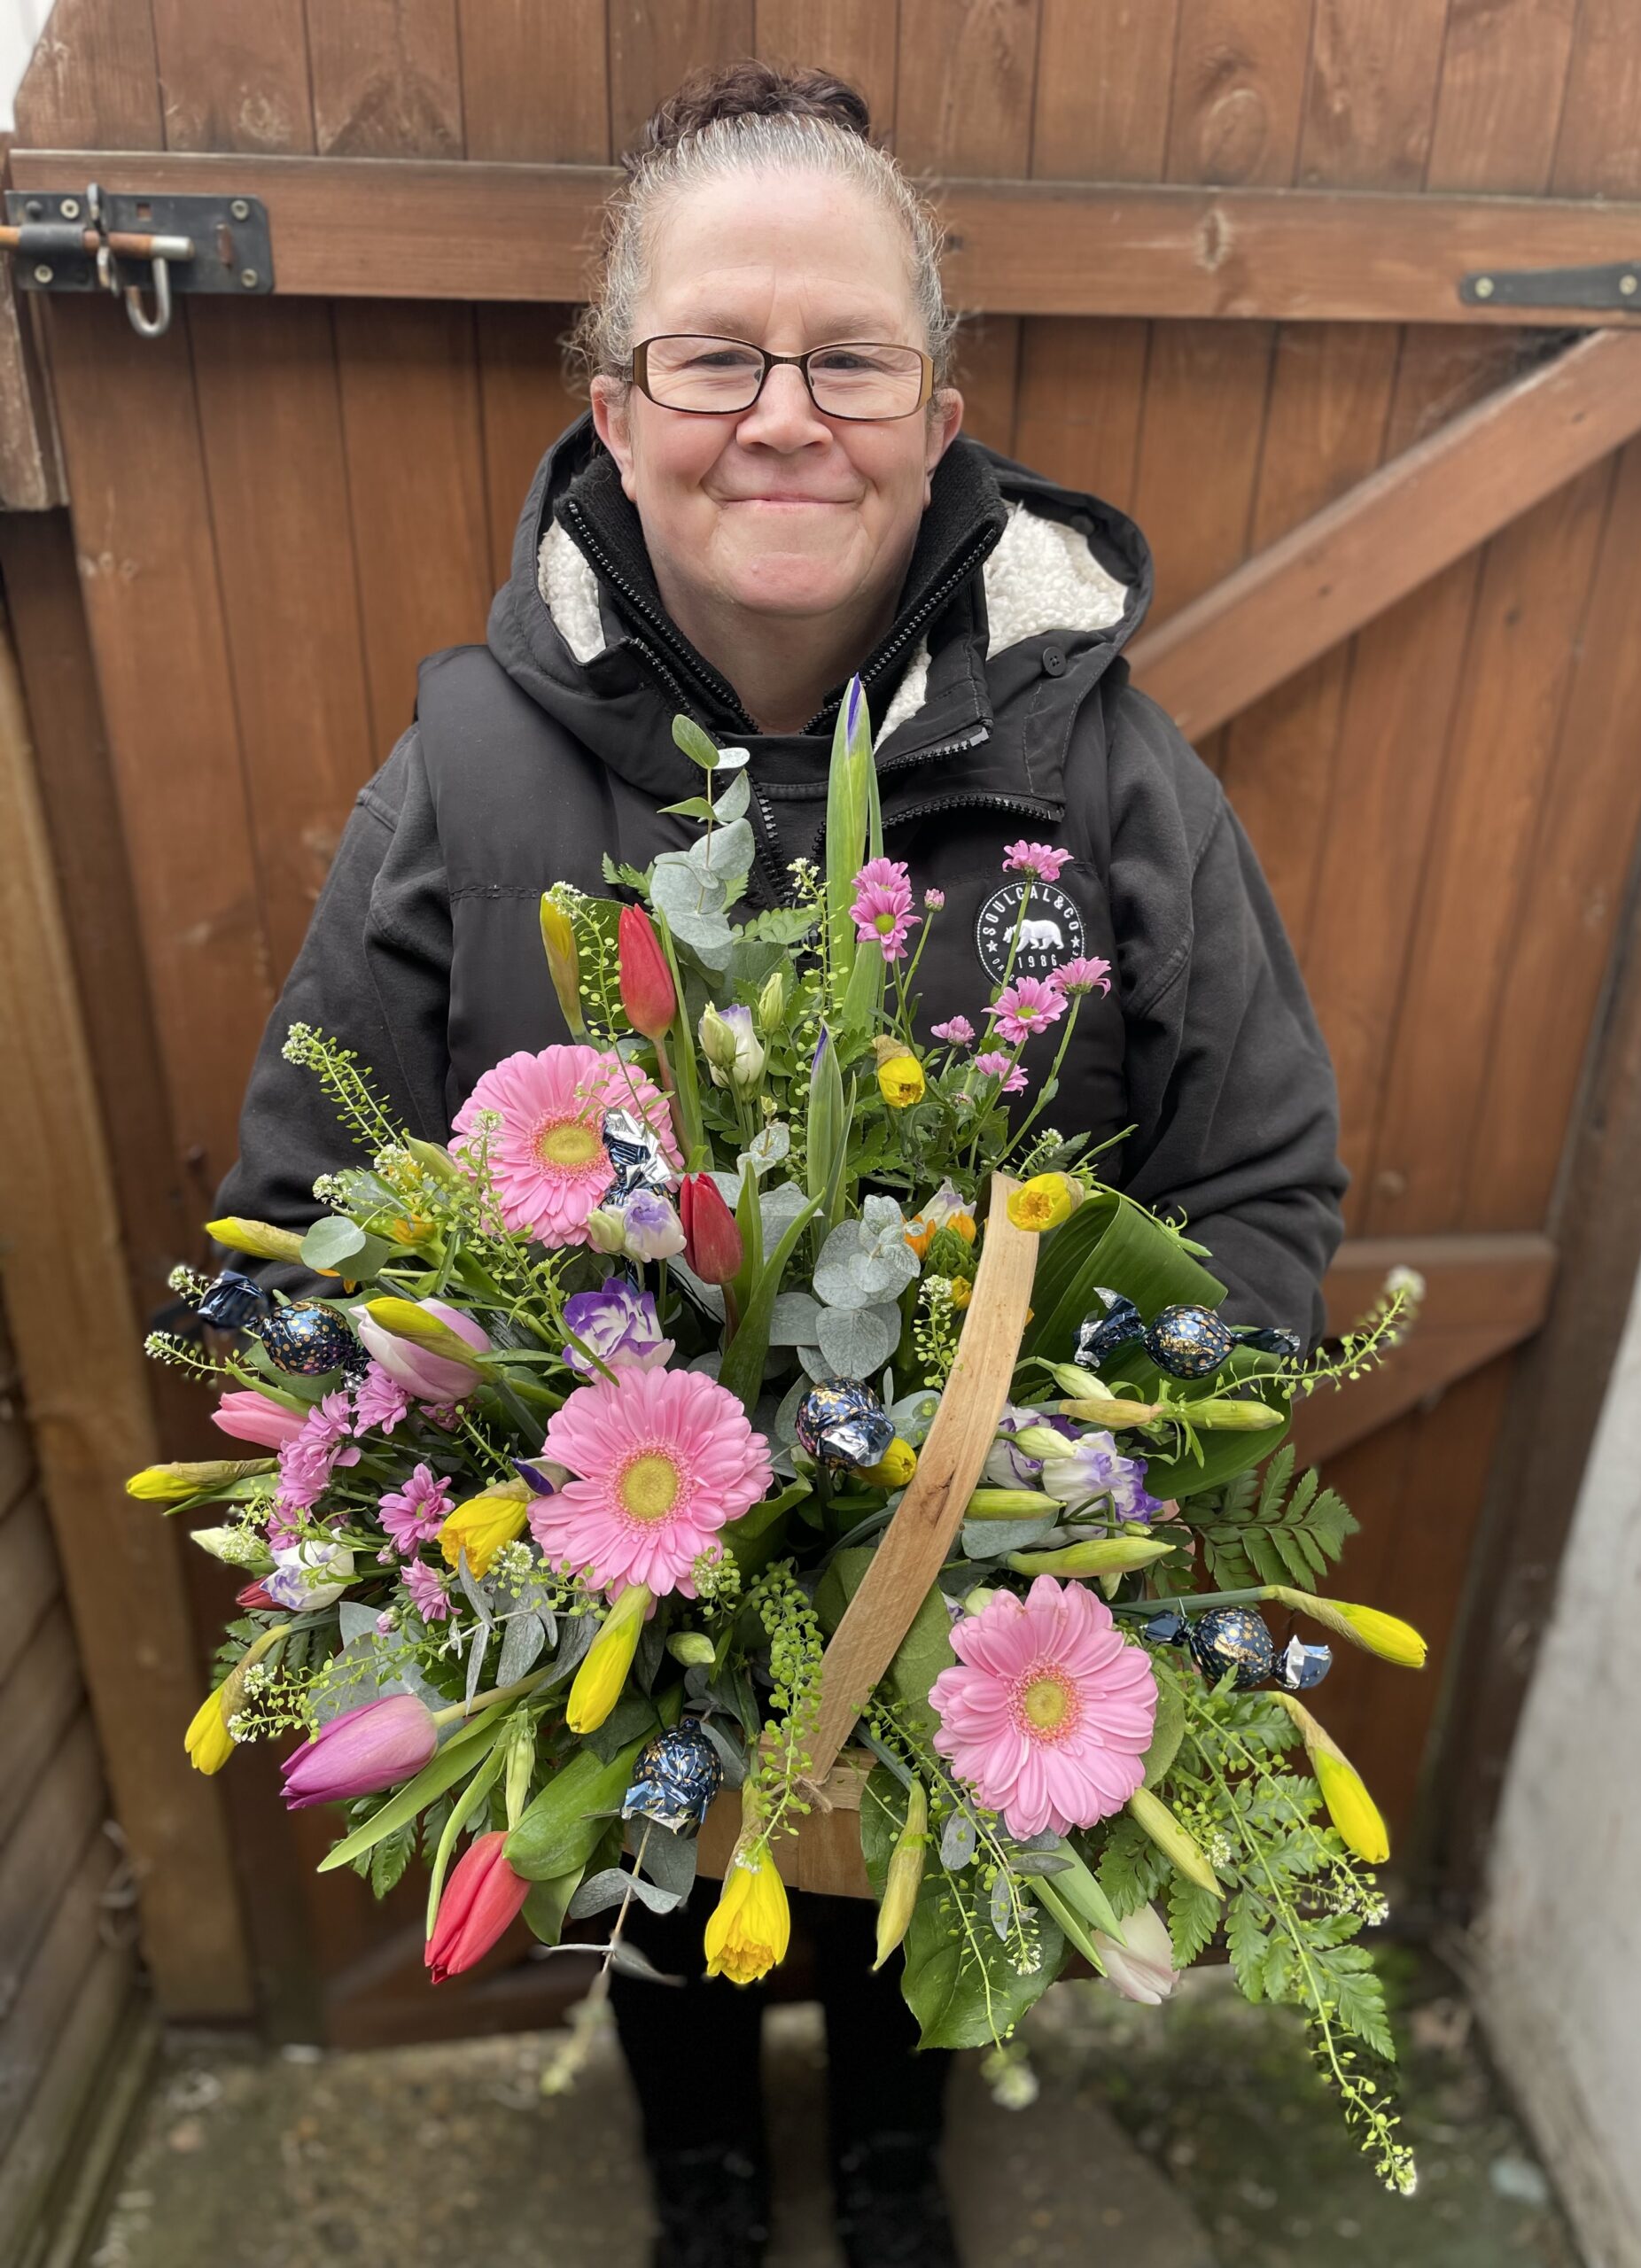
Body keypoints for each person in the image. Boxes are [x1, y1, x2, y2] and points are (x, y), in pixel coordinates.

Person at [211, 58, 1348, 2268]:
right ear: (616, 410)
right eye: (714, 356)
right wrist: (423, 1517)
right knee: (667, 1906)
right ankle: (710, 2175)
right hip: (609, 1614)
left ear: (939, 413)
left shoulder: (1108, 775)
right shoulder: (461, 773)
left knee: (934, 1896)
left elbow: (1264, 1174)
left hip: (981, 1611)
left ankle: (899, 2156)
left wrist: (1106, 1478)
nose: (784, 417)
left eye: (851, 359)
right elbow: (307, 1192)